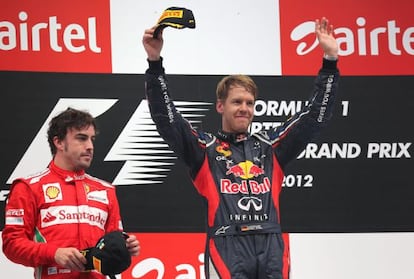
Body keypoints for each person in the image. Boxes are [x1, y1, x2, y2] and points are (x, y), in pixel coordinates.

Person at [143, 17, 339, 279]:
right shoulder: (204, 148)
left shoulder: (271, 147)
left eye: (249, 102)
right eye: (237, 101)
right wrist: (155, 64)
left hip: (271, 247)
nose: (245, 108)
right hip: (227, 245)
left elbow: (315, 117)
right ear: (220, 106)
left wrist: (330, 61)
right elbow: (167, 120)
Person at [2, 108, 140, 279]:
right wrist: (54, 253)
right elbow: (12, 245)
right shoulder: (28, 187)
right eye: (81, 138)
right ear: (59, 143)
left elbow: (113, 242)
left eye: (92, 139)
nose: (90, 146)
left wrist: (125, 246)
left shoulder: (106, 190)